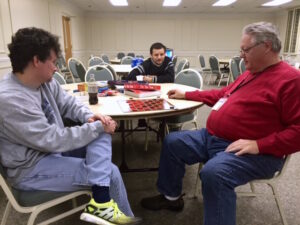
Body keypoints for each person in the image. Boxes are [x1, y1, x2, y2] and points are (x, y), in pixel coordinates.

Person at [140, 22, 300, 225]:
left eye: (245, 50)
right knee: (173, 142)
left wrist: (259, 145)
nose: (241, 55)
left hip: (256, 152)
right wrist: (188, 93)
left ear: (267, 46)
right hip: (214, 137)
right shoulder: (250, 73)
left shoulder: (291, 80)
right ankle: (171, 198)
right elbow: (223, 94)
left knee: (215, 173)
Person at [0, 27, 140, 225]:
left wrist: (93, 117)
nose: (57, 68)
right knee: (110, 172)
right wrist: (97, 127)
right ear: (36, 61)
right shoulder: (10, 99)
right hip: (31, 169)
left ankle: (100, 203)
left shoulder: (44, 81)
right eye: (54, 62)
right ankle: (105, 204)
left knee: (100, 132)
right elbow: (52, 140)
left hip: (51, 152)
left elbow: (69, 104)